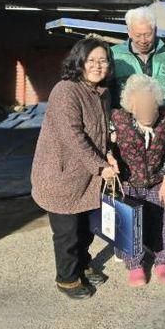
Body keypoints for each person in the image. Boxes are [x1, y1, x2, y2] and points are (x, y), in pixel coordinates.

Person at [31, 38, 119, 300]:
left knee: (85, 228)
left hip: (87, 176)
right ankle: (67, 278)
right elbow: (73, 136)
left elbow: (101, 133)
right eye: (91, 60)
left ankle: (82, 264)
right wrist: (101, 166)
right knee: (67, 233)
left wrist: (109, 155)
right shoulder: (66, 91)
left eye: (103, 60)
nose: (97, 65)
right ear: (79, 62)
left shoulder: (102, 93)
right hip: (61, 175)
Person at [110, 74, 165, 287]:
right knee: (129, 223)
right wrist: (109, 155)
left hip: (158, 179)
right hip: (129, 181)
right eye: (141, 107)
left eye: (151, 106)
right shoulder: (117, 119)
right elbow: (103, 143)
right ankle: (135, 265)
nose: (147, 111)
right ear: (131, 107)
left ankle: (163, 261)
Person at [111, 5, 165, 123]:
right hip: (125, 124)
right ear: (129, 32)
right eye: (138, 35)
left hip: (160, 122)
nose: (143, 41)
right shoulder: (114, 55)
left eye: (147, 35)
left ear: (155, 31)